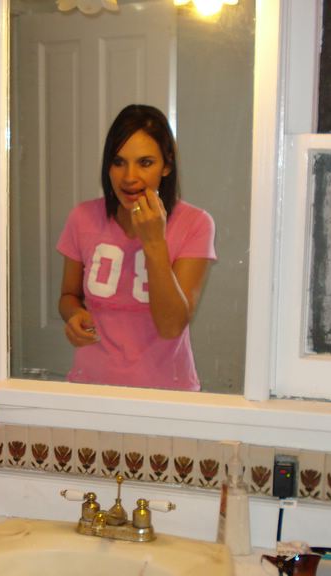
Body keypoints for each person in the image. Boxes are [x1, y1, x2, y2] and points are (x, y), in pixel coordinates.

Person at [58, 104, 216, 390]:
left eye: (145, 163)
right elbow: (69, 296)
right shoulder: (82, 218)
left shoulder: (195, 224)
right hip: (90, 386)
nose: (129, 177)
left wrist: (154, 241)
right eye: (119, 162)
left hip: (166, 391)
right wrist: (74, 315)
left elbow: (171, 326)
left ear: (166, 165)